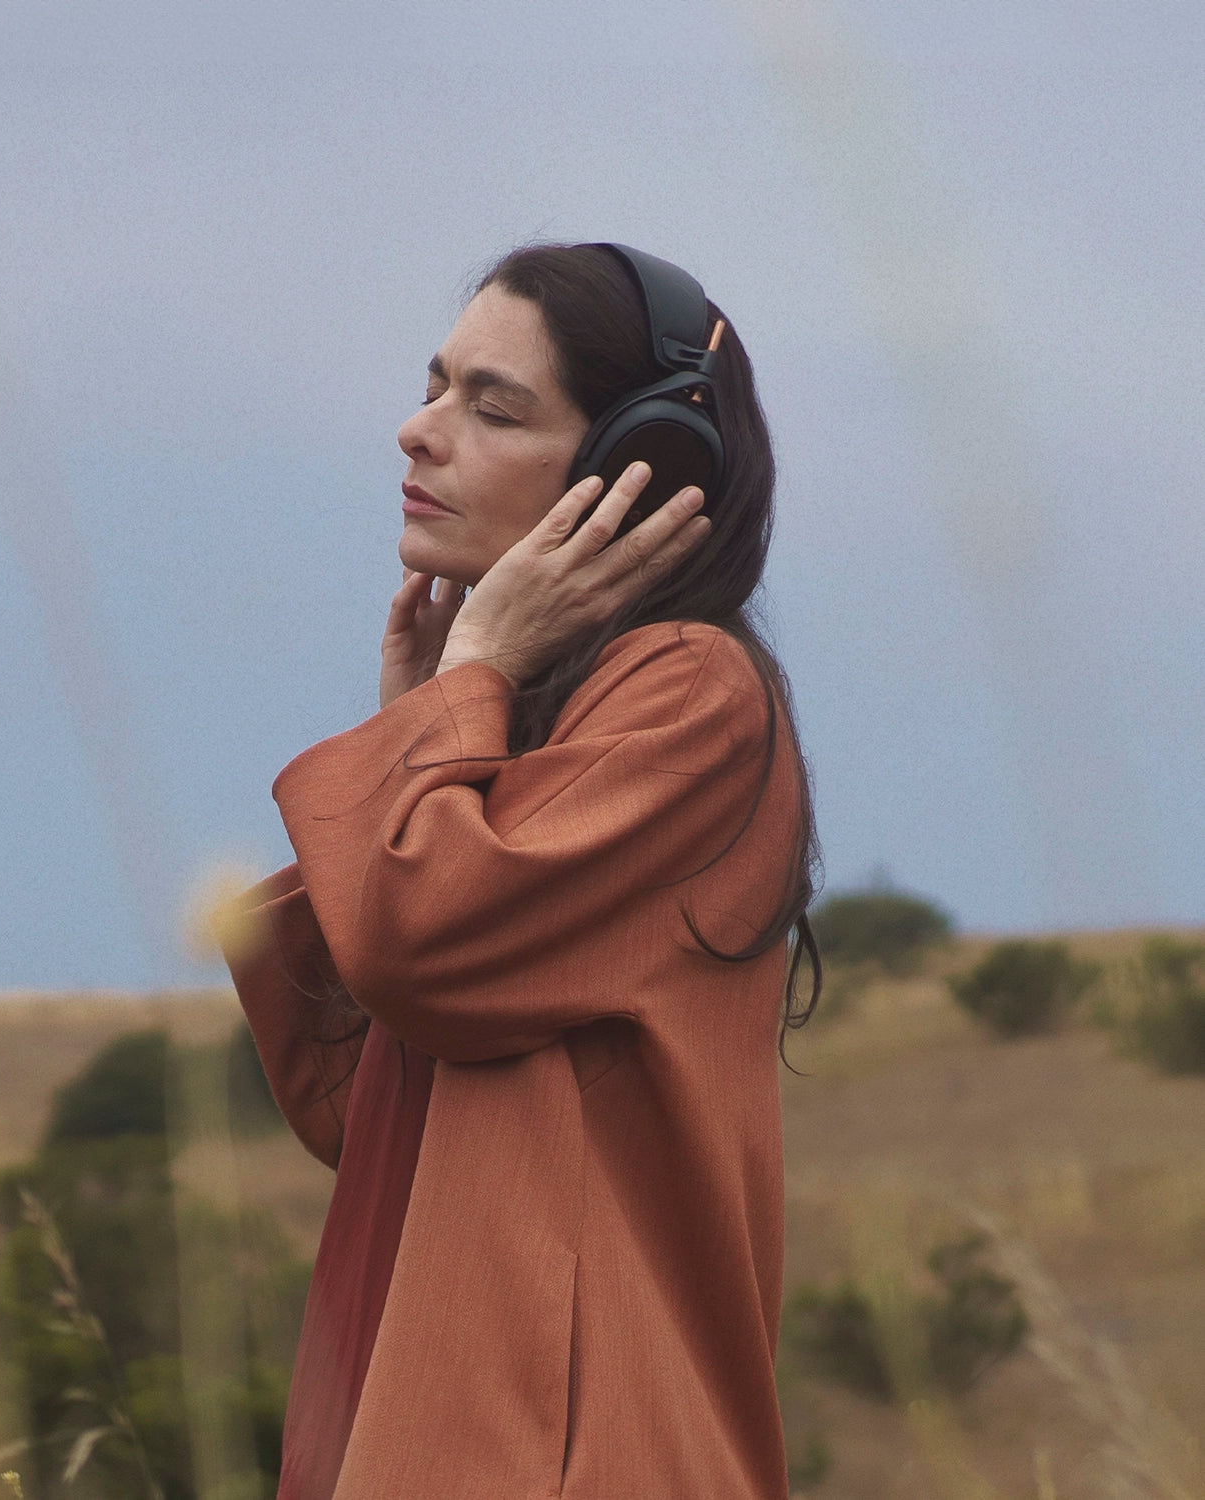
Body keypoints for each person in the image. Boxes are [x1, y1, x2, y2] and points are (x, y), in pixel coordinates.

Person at [218, 241, 820, 1499]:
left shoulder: (688, 698)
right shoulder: (557, 723)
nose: (417, 431)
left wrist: (465, 686)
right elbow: (367, 1105)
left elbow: (417, 950)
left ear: (633, 472)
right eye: (433, 386)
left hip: (565, 1451)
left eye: (490, 407)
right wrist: (436, 730)